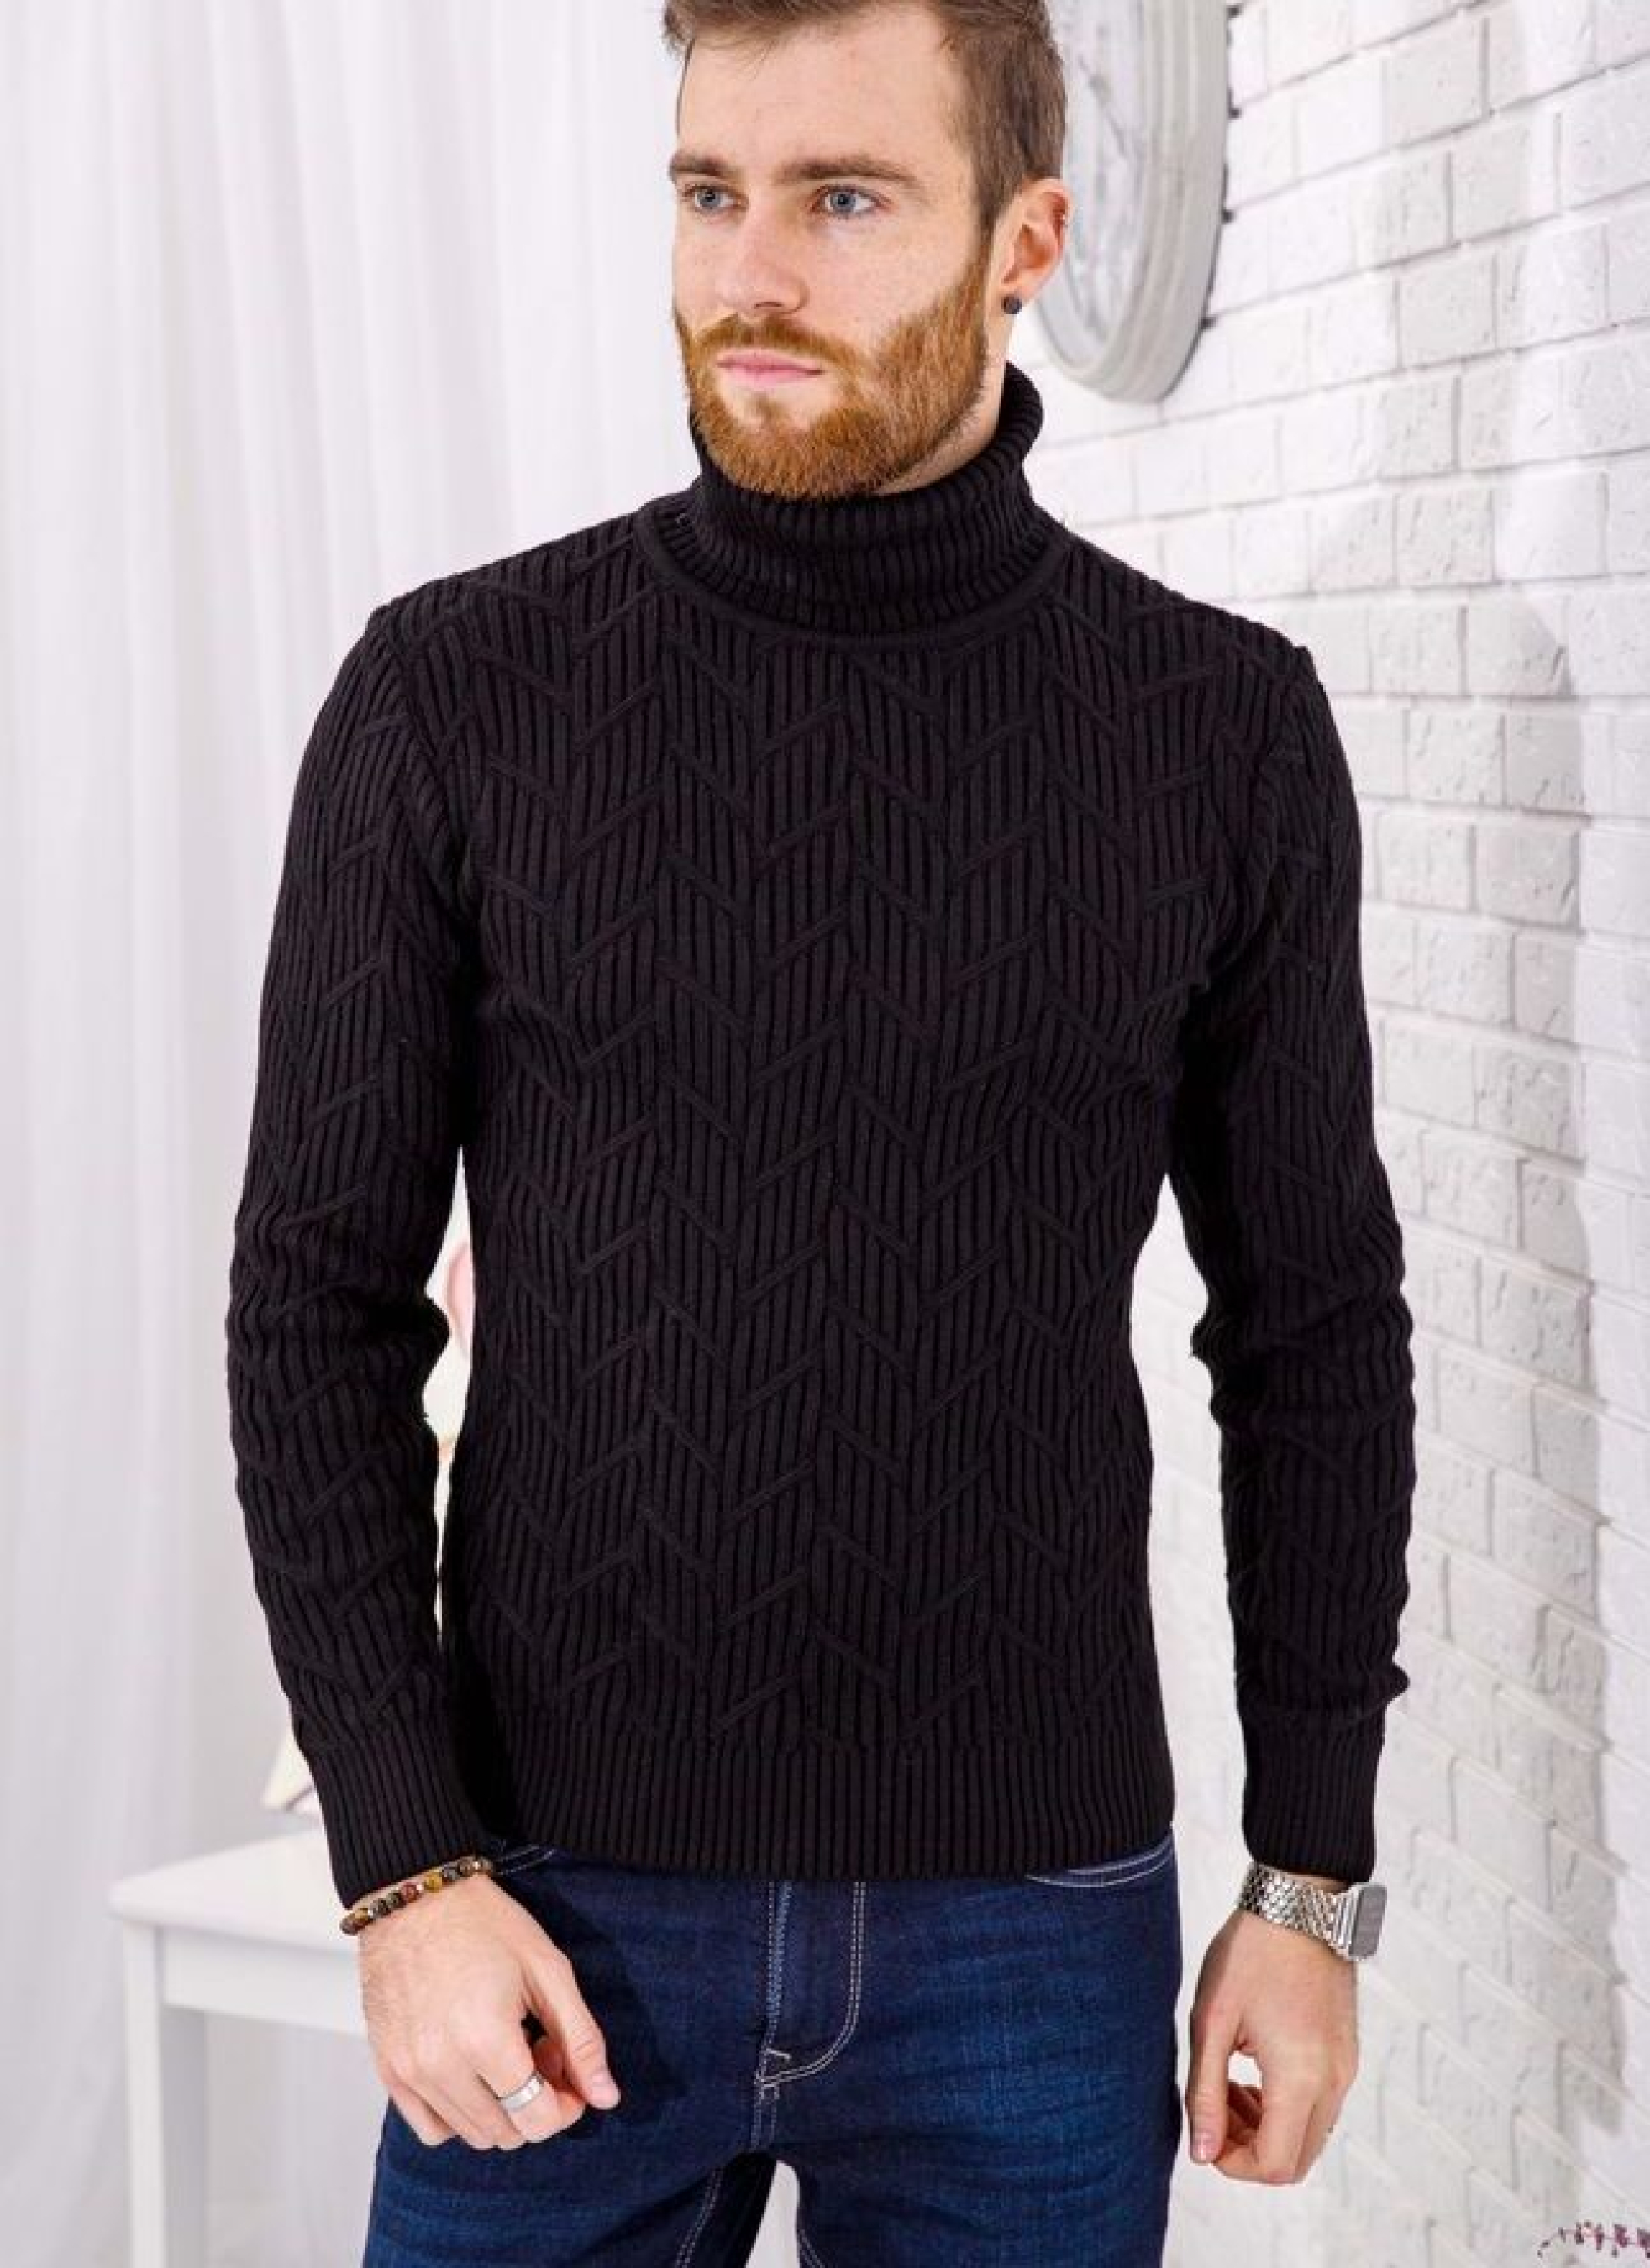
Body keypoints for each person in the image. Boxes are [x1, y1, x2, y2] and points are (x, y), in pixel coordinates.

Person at [223, 3, 1417, 2260]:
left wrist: (1311, 1882)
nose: (749, 273)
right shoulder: (453, 695)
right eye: (710, 193)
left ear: (1023, 240)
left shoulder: (1218, 731)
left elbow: (1313, 1334)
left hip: (1031, 1929)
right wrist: (401, 1866)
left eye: (843, 198)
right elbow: (315, 1307)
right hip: (544, 1910)